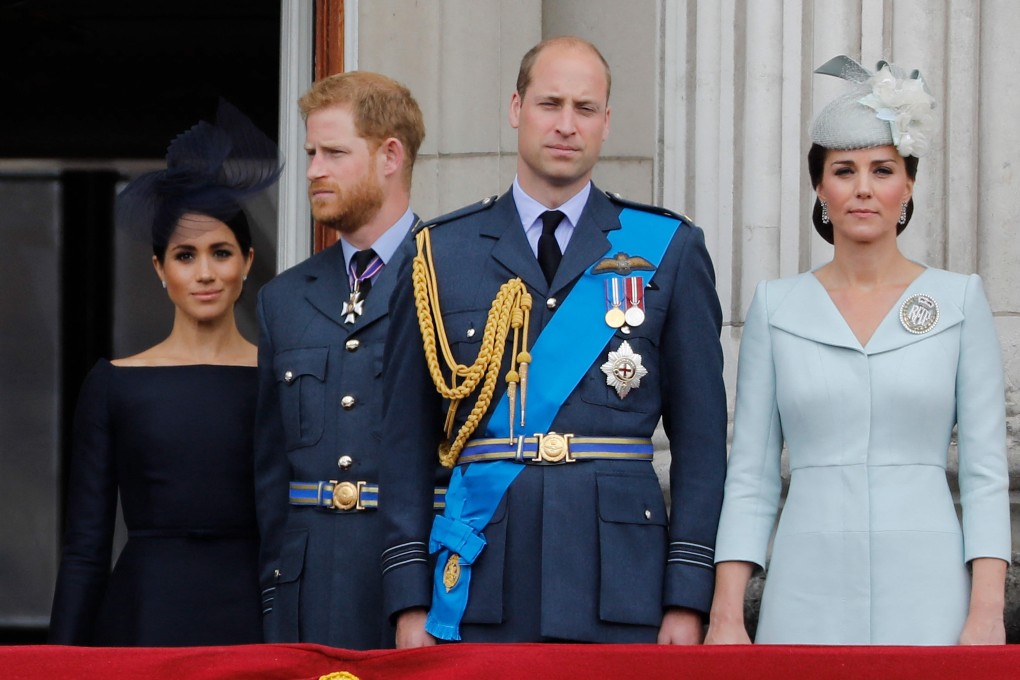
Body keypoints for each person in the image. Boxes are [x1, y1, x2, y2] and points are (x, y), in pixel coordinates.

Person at [379, 36, 727, 646]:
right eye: (550, 104)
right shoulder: (440, 253)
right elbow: (404, 444)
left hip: (622, 585)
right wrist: (410, 602)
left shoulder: (667, 248)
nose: (567, 125)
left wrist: (687, 598)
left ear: (607, 122)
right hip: (479, 584)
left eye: (585, 109)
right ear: (516, 108)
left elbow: (701, 444)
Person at [705, 56, 1011, 645]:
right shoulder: (776, 307)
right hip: (805, 586)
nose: (864, 188)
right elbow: (751, 474)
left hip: (933, 591)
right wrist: (726, 612)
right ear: (820, 187)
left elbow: (983, 475)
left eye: (883, 169)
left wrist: (987, 610)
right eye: (844, 170)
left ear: (909, 183)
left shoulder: (959, 301)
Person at [48, 101, 281, 646]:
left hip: (257, 622)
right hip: (142, 622)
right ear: (160, 268)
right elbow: (85, 546)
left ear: (247, 262)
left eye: (220, 252)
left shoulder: (280, 378)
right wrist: (57, 662)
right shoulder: (114, 384)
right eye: (185, 255)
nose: (205, 273)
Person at [254, 71, 438, 649]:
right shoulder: (283, 298)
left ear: (390, 155)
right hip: (306, 594)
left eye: (333, 152)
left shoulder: (454, 276)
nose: (313, 170)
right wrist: (274, 597)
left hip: (420, 588)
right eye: (311, 152)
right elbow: (270, 473)